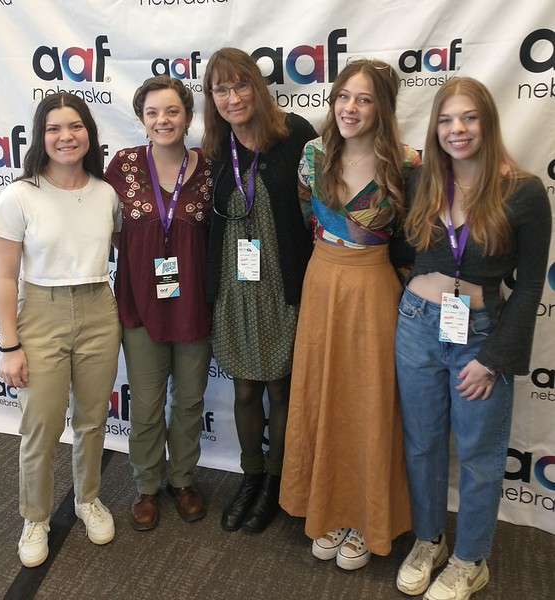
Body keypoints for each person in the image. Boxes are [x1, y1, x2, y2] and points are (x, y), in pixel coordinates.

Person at [394, 77, 551, 599]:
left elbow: (530, 286)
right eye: (446, 120)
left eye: (468, 118)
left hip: (479, 337)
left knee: (481, 455)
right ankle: (429, 540)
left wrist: (495, 359)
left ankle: (470, 560)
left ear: (487, 121)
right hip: (416, 324)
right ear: (434, 127)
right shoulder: (422, 181)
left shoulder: (523, 191)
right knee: (422, 444)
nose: (457, 130)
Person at [279, 59, 418, 570]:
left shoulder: (407, 165)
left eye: (363, 99)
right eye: (343, 96)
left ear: (382, 106)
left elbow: (414, 240)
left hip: (374, 290)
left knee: (369, 400)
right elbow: (302, 219)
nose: (350, 108)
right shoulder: (312, 156)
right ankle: (328, 509)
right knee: (323, 395)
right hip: (321, 284)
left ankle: (365, 516)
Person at [0, 93, 120, 567]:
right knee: (40, 427)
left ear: (89, 132)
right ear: (40, 137)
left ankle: (87, 499)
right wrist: (10, 345)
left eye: (75, 127)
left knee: (90, 419)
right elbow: (4, 276)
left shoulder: (106, 193)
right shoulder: (19, 194)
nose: (66, 137)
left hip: (98, 309)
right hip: (39, 312)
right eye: (54, 129)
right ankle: (35, 517)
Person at [203, 47, 316, 533]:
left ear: (257, 86)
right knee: (245, 388)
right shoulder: (213, 151)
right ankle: (250, 475)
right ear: (212, 99)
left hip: (283, 283)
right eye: (221, 89)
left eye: (240, 85)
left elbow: (340, 185)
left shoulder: (296, 136)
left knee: (281, 385)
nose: (232, 97)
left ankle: (276, 480)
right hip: (235, 285)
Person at [105, 76, 212, 530]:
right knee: (146, 406)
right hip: (139, 310)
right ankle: (147, 485)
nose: (162, 120)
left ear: (187, 116)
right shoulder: (123, 166)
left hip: (194, 309)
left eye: (172, 111)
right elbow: (108, 233)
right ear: (141, 119)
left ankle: (183, 480)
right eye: (152, 112)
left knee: (189, 402)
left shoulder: (208, 168)